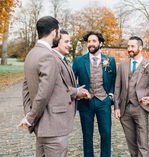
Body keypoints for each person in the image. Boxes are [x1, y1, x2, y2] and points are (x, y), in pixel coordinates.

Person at [18, 16, 88, 157]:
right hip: (54, 127)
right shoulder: (48, 56)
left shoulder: (31, 54)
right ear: (54, 32)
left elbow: (26, 88)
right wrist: (30, 117)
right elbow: (44, 93)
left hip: (41, 127)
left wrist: (29, 113)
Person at [72, 31, 116, 157]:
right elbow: (70, 81)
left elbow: (114, 80)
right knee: (87, 135)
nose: (91, 44)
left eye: (94, 41)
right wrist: (78, 91)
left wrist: (111, 95)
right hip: (86, 103)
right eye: (89, 41)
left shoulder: (110, 60)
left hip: (104, 102)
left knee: (106, 134)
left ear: (100, 43)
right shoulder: (79, 61)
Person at [114, 36, 149, 157]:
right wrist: (116, 107)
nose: (129, 49)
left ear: (140, 47)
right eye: (128, 46)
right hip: (125, 110)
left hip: (141, 109)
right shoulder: (122, 65)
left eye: (132, 46)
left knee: (143, 144)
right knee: (131, 144)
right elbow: (117, 87)